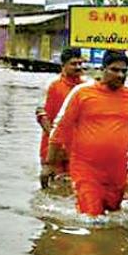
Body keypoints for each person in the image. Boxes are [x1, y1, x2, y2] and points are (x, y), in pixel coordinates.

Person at [44, 50, 128, 216]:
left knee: (113, 213)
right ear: (103, 69)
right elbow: (61, 127)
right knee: (91, 216)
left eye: (124, 71)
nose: (120, 75)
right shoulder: (82, 93)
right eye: (115, 70)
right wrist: (49, 163)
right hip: (86, 167)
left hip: (116, 169)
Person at [36, 47, 86, 187]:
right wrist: (56, 141)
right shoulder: (51, 85)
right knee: (53, 190)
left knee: (73, 189)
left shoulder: (86, 87)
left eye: (80, 63)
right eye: (74, 64)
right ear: (63, 65)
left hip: (76, 150)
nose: (78, 67)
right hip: (52, 149)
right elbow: (41, 115)